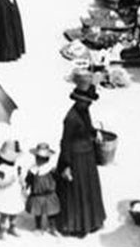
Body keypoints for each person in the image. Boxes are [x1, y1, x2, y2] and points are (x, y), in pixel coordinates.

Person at [56, 77, 106, 237]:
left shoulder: (84, 111)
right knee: (76, 193)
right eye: (86, 101)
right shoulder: (70, 118)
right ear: (78, 100)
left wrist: (95, 132)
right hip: (75, 158)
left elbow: (88, 127)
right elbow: (65, 142)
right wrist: (66, 165)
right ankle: (75, 226)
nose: (88, 104)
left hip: (87, 156)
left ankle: (91, 222)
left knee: (88, 190)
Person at [0, 138, 26, 239]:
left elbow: (20, 176)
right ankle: (1, 229)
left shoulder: (17, 166)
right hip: (5, 194)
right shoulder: (1, 168)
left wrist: (22, 183)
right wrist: (8, 182)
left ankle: (12, 227)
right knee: (5, 213)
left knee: (14, 211)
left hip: (14, 194)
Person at [25, 143, 60, 234]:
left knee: (51, 212)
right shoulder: (33, 170)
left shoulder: (51, 169)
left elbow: (57, 178)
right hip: (37, 195)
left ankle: (52, 227)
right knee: (37, 212)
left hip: (49, 194)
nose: (40, 160)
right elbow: (29, 180)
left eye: (42, 159)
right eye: (38, 158)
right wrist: (27, 185)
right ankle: (38, 227)